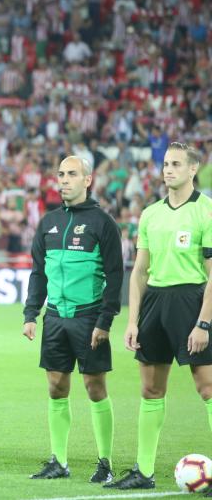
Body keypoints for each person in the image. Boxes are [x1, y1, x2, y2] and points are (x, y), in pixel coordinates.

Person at [106, 142, 212, 490]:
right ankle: (144, 471)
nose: (168, 169)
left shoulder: (206, 211)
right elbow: (138, 272)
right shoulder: (151, 213)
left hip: (191, 300)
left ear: (192, 169)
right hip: (155, 303)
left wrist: (203, 322)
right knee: (151, 389)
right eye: (166, 163)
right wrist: (133, 320)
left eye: (176, 164)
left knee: (207, 386)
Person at [23, 156, 123, 483]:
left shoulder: (102, 223)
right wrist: (30, 314)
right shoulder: (47, 222)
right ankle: (59, 462)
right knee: (55, 386)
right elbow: (38, 272)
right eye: (61, 174)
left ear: (88, 179)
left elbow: (115, 275)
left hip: (88, 317)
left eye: (72, 174)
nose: (64, 180)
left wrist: (105, 321)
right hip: (55, 318)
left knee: (95, 388)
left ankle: (105, 462)